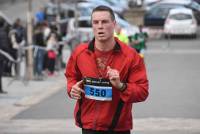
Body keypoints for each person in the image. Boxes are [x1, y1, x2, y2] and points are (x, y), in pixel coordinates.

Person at [65, 5, 149, 134]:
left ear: (114, 24)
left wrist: (121, 86)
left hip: (118, 127)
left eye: (104, 22)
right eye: (95, 22)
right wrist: (72, 89)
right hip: (88, 126)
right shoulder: (80, 53)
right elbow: (71, 77)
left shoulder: (131, 56)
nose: (100, 26)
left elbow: (142, 91)